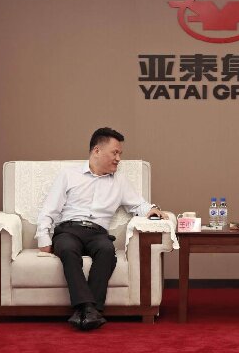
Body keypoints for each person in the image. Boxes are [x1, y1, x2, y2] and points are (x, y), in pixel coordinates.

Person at [35, 127, 167, 331]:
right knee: (67, 249)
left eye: (120, 154)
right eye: (115, 153)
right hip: (69, 230)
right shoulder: (69, 175)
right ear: (97, 150)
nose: (118, 159)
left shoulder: (119, 181)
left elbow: (138, 205)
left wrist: (153, 210)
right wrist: (44, 238)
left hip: (97, 233)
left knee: (107, 251)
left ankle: (85, 310)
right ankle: (91, 310)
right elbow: (49, 209)